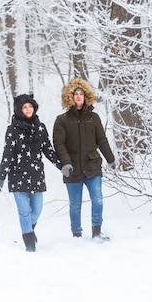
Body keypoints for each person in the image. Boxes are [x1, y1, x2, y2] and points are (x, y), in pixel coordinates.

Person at [53, 77, 116, 241]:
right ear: (70, 97)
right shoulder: (62, 120)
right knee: (75, 204)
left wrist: (110, 158)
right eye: (75, 94)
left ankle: (96, 232)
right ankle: (77, 235)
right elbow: (59, 144)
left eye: (81, 93)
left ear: (86, 96)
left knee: (98, 199)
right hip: (72, 168)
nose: (78, 96)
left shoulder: (94, 118)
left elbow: (101, 140)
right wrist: (65, 163)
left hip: (92, 166)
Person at [0, 94, 61, 252]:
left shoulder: (41, 127)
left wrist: (61, 165)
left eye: (30, 106)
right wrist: (1, 176)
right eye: (24, 107)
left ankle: (29, 230)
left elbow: (48, 149)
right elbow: (8, 153)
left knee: (37, 210)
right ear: (19, 110)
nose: (28, 109)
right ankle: (29, 244)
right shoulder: (12, 130)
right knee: (24, 212)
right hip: (17, 176)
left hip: (36, 176)